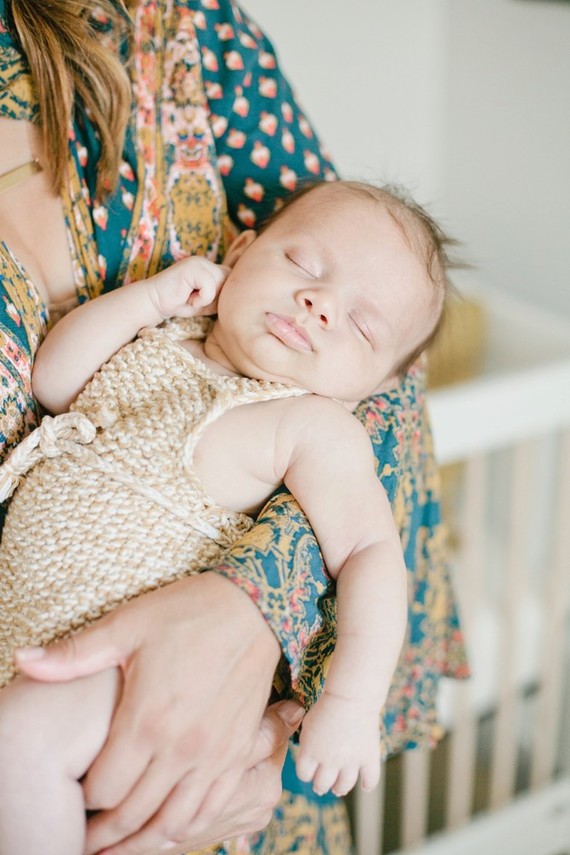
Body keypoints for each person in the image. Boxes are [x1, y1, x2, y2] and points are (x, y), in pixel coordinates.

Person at [0, 2, 468, 854]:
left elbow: (372, 558)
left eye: (361, 325)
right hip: (26, 634)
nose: (320, 303)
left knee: (18, 748)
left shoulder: (314, 428)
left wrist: (350, 703)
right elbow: (54, 381)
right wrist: (148, 299)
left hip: (119, 670)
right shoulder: (158, 340)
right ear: (241, 247)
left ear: (385, 382)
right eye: (303, 265)